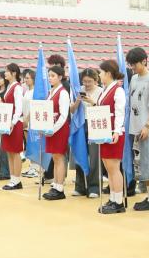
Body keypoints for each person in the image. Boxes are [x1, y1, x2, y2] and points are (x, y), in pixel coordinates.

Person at [127, 47, 149, 212]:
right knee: (141, 164)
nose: (132, 67)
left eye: (134, 64)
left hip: (147, 130)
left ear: (144, 61)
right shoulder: (134, 78)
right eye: (131, 64)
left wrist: (148, 125)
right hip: (135, 128)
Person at [97, 60, 127, 214]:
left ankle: (119, 202)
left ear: (108, 73)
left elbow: (120, 112)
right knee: (108, 167)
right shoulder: (105, 89)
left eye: (101, 72)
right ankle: (113, 198)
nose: (99, 75)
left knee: (114, 168)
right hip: (104, 132)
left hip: (114, 132)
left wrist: (116, 131)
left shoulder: (118, 90)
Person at [41, 65, 71, 201]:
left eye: (53, 76)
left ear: (60, 77)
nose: (50, 78)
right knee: (55, 158)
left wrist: (52, 129)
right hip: (51, 128)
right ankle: (55, 185)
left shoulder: (63, 93)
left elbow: (63, 115)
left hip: (59, 129)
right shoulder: (51, 91)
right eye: (49, 75)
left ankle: (60, 188)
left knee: (59, 157)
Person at [73, 68, 102, 198]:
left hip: (95, 124)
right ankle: (80, 186)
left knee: (95, 157)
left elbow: (103, 110)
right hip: (81, 124)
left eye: (89, 81)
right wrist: (78, 100)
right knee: (80, 153)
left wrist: (92, 102)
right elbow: (72, 110)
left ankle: (94, 187)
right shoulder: (79, 90)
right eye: (84, 81)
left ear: (95, 80)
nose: (87, 84)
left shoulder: (101, 91)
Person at [0, 64, 26, 191]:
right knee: (9, 151)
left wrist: (13, 122)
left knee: (15, 152)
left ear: (14, 73)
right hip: (8, 122)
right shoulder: (10, 86)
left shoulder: (17, 88)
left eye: (7, 71)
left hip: (14, 123)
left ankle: (17, 180)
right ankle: (12, 178)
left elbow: (19, 108)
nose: (5, 73)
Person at [20, 69, 41, 179]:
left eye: (28, 78)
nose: (26, 80)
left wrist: (27, 119)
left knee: (34, 145)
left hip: (32, 122)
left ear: (33, 79)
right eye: (25, 78)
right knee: (29, 145)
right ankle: (32, 166)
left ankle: (36, 168)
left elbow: (35, 107)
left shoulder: (35, 92)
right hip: (26, 121)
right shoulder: (27, 91)